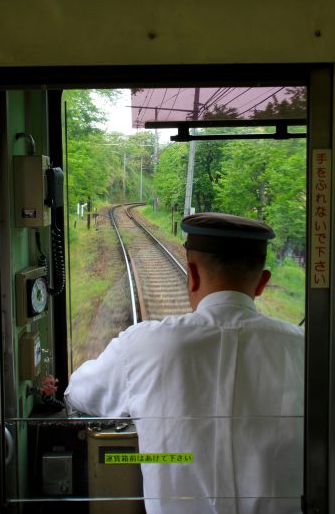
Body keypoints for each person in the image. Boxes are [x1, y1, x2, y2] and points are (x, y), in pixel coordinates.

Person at [65, 213, 304, 514]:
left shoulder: (142, 345)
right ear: (262, 283)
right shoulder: (305, 349)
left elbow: (78, 392)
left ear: (191, 274)